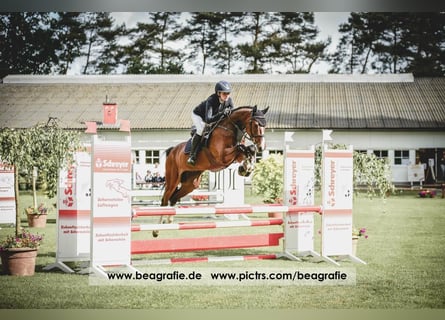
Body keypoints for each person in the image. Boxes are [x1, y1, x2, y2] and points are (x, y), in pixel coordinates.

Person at [187, 80, 235, 166]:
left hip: (213, 117)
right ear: (218, 93)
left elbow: (232, 115)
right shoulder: (211, 100)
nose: (227, 96)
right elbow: (208, 119)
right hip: (199, 116)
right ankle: (192, 155)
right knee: (201, 130)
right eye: (224, 94)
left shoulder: (229, 101)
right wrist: (222, 114)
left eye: (228, 93)